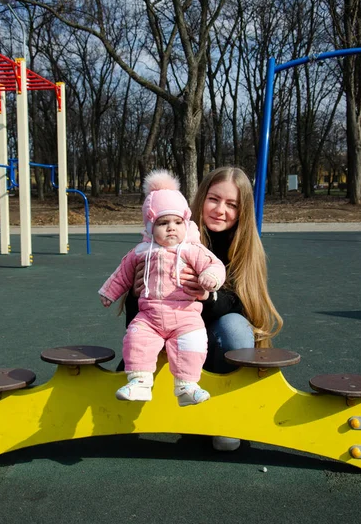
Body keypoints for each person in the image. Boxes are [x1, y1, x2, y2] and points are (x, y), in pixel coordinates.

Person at [124, 166, 283, 450]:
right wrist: (136, 293)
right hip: (166, 333)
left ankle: (226, 414)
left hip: (213, 344)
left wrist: (206, 295)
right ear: (200, 199)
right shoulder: (170, 232)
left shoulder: (243, 248)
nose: (221, 210)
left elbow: (243, 305)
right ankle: (143, 386)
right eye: (214, 199)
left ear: (242, 210)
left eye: (232, 204)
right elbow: (135, 312)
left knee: (234, 326)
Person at [99, 170, 226, 407]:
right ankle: (139, 381)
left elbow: (214, 265)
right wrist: (109, 292)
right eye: (163, 222)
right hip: (150, 315)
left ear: (186, 224)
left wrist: (210, 278)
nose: (171, 228)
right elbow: (122, 273)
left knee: (193, 342)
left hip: (186, 315)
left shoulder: (191, 249)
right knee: (136, 338)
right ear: (149, 226)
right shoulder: (141, 251)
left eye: (177, 222)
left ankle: (187, 385)